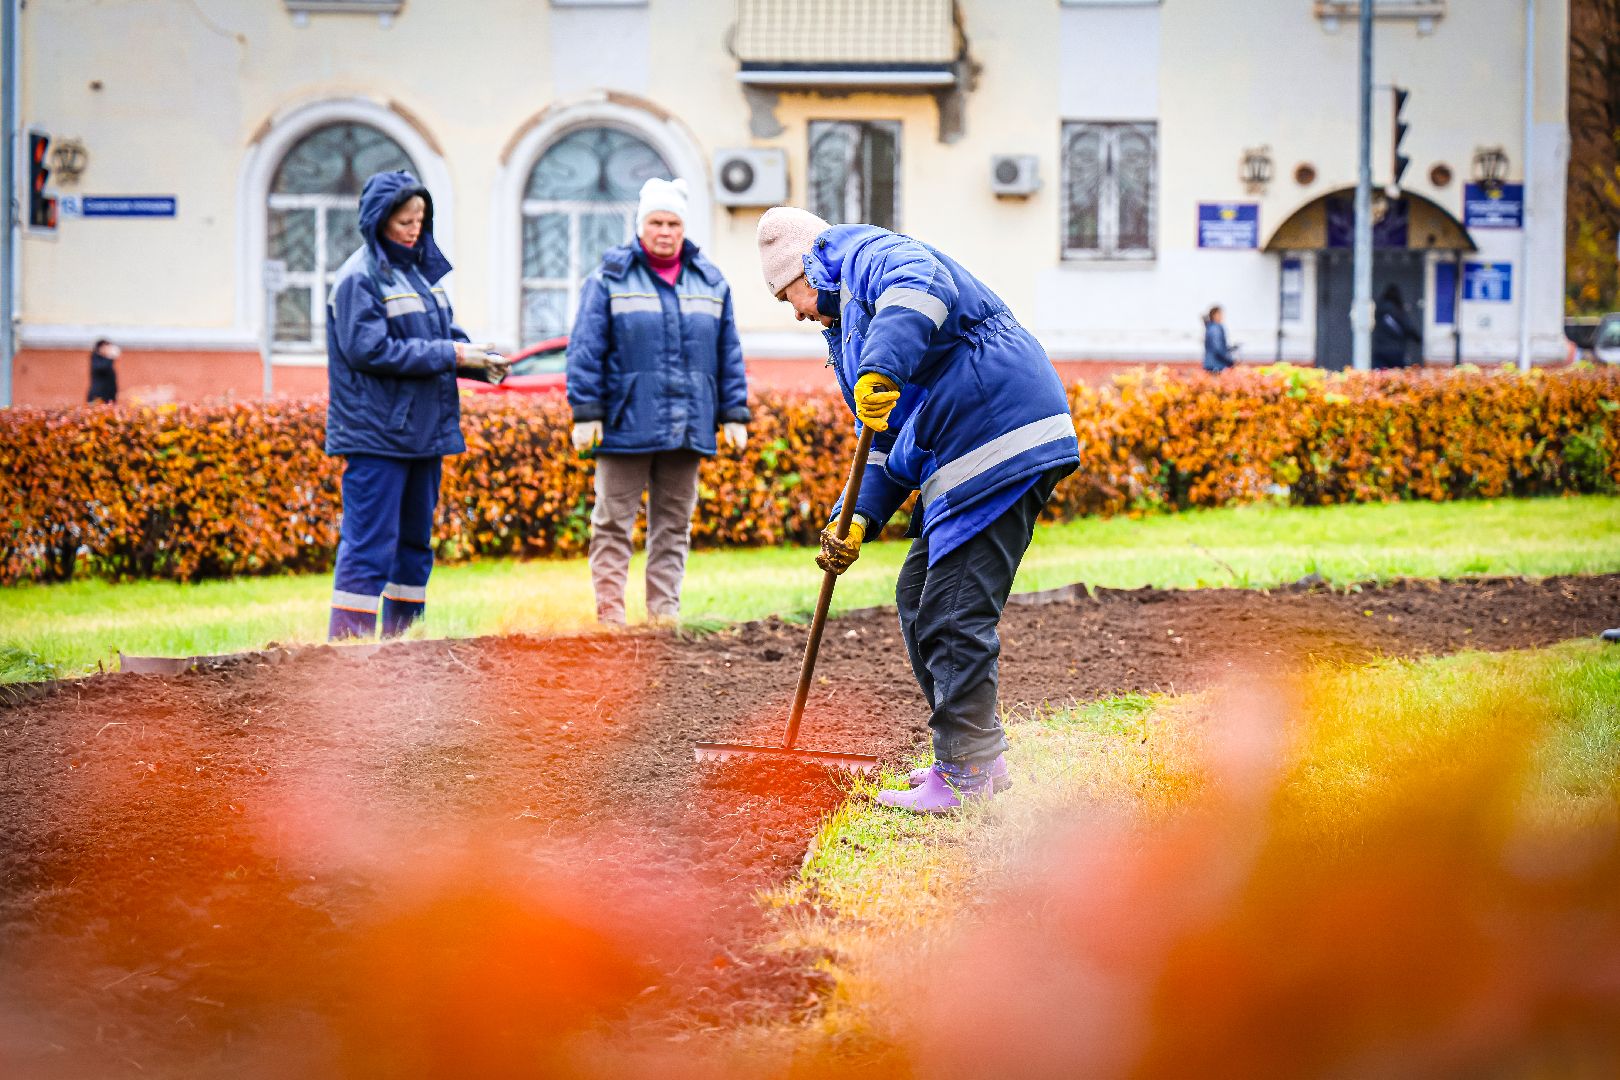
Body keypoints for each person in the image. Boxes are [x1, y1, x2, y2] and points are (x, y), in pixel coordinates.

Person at [757, 207, 1079, 815]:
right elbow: (881, 440)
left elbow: (920, 281)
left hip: (996, 434)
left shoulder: (863, 257)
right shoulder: (850, 328)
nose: (796, 312)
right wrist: (855, 517)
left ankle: (967, 772)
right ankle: (976, 756)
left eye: (788, 297)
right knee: (918, 597)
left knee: (951, 614)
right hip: (969, 446)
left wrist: (884, 365)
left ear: (807, 266)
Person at [323, 169, 508, 641]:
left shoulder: (421, 274)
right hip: (377, 435)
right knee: (369, 547)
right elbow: (370, 350)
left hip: (423, 431)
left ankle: (405, 647)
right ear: (379, 220)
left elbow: (443, 337)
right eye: (405, 220)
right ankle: (349, 652)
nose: (414, 229)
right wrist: (451, 354)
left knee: (413, 547)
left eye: (420, 220)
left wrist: (476, 359)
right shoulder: (357, 278)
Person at [566, 177, 750, 626]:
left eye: (673, 222)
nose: (665, 231)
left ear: (683, 228)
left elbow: (728, 351)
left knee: (673, 527)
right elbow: (585, 349)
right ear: (640, 225)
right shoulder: (608, 278)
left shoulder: (710, 282)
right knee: (612, 524)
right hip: (624, 424)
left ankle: (663, 616)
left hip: (688, 425)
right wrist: (586, 411)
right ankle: (610, 618)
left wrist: (734, 413)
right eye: (656, 222)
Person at [1372, 283, 1423, 369]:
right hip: (1396, 351)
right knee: (1397, 377)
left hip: (1380, 350)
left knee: (1379, 377)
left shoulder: (1379, 309)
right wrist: (1417, 338)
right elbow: (1408, 327)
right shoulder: (1397, 310)